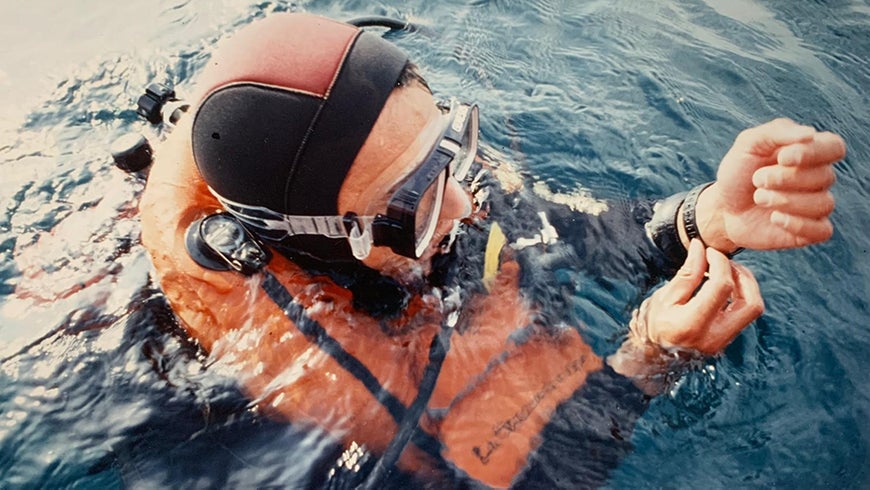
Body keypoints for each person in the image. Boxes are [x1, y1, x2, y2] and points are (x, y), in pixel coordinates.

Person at [139, 12, 846, 488]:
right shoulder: (304, 344)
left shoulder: (434, 185)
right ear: (327, 240)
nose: (464, 203)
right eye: (411, 205)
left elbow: (571, 230)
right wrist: (644, 364)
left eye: (448, 151)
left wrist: (706, 214)